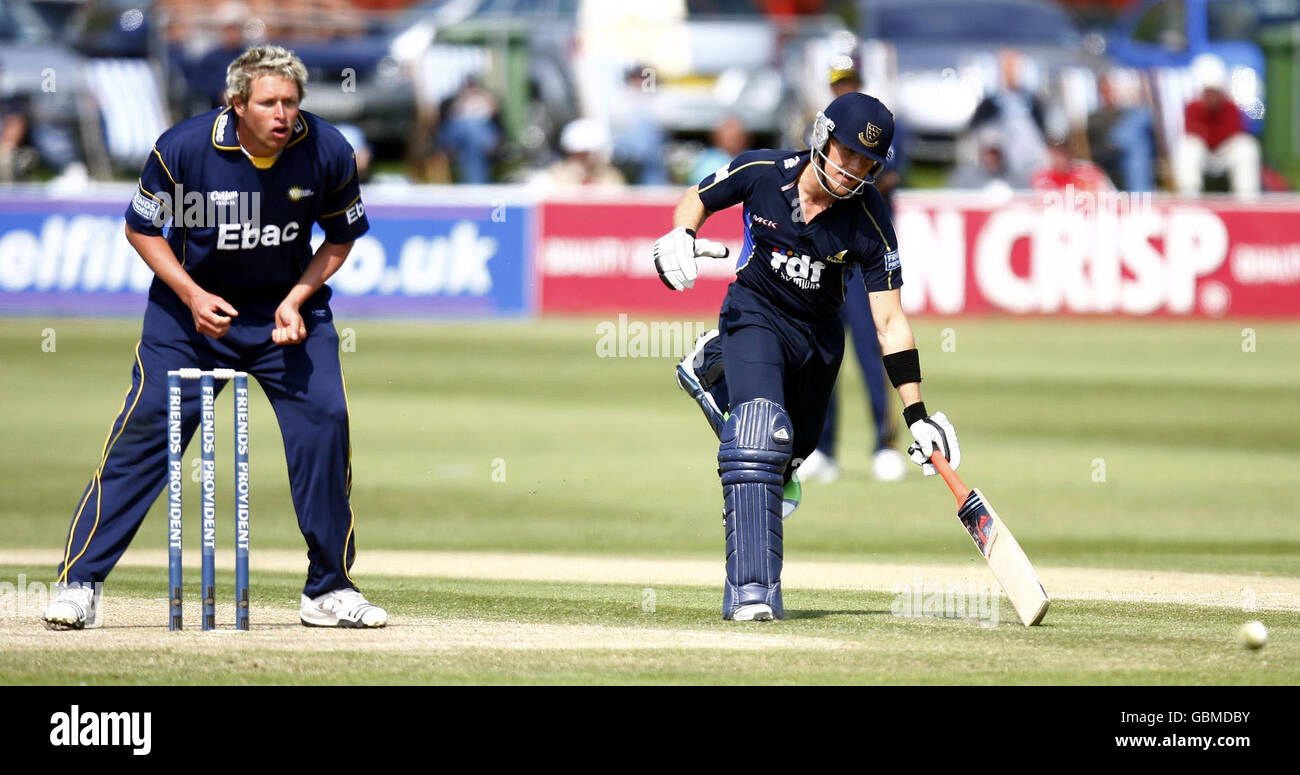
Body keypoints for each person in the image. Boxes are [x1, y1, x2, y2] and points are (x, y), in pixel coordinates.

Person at [42, 45, 387, 630]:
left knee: (326, 422)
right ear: (237, 104)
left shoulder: (327, 149)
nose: (284, 115)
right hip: (190, 320)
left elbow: (338, 237)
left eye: (292, 103)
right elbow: (140, 228)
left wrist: (297, 297)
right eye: (269, 103)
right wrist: (192, 296)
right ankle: (80, 583)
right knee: (147, 429)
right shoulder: (185, 149)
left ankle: (328, 588)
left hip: (284, 316)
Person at [656, 93, 961, 621]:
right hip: (754, 314)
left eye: (868, 163)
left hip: (818, 341)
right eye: (847, 153)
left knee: (790, 456)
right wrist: (682, 235)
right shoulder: (762, 172)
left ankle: (714, 369)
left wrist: (918, 414)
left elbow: (890, 322)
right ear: (821, 138)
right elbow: (697, 197)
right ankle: (752, 592)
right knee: (757, 435)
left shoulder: (869, 220)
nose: (853, 170)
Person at [800, 61, 908, 484]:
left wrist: (851, 168)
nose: (844, 90)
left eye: (850, 84)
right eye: (838, 85)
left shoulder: (882, 128)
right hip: (824, 263)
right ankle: (823, 449)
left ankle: (884, 445)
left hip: (863, 262)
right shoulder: (818, 129)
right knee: (822, 358)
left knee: (870, 351)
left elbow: (886, 178)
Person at [1174, 54, 1259, 199]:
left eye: (1215, 92)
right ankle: (1188, 197)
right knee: (1186, 147)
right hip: (1203, 154)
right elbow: (1192, 134)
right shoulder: (1193, 108)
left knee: (1247, 147)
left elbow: (1231, 134)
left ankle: (1247, 199)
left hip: (1225, 154)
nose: (1212, 96)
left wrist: (1206, 132)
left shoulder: (1231, 108)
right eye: (1209, 92)